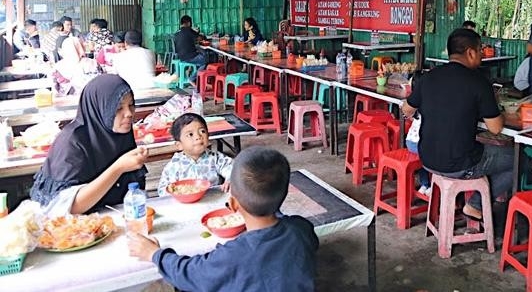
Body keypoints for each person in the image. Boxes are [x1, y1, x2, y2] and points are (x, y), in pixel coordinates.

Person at [129, 146, 319, 292]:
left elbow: (189, 274)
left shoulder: (233, 255)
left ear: (233, 205)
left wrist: (154, 254)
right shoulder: (301, 229)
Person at [402, 28, 513, 221]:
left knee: (478, 147)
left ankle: (471, 201)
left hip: (427, 160)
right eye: (480, 50)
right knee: (518, 160)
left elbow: (407, 109)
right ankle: (475, 205)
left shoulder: (429, 77)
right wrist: (499, 111)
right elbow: (495, 128)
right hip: (460, 165)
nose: (481, 55)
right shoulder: (479, 82)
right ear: (470, 52)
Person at [30, 75, 148, 215]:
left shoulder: (119, 134)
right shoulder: (71, 142)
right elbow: (68, 207)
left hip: (115, 220)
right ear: (99, 108)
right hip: (76, 229)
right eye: (118, 108)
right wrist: (118, 168)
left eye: (131, 105)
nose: (129, 113)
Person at [157, 113, 234, 196]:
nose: (198, 136)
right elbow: (162, 189)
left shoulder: (215, 158)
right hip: (185, 204)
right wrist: (174, 194)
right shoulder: (174, 164)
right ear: (179, 145)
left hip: (212, 199)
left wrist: (230, 179)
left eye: (202, 131)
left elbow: (233, 168)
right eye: (190, 134)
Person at [403, 71, 430, 194]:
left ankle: (425, 184)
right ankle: (433, 187)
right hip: (421, 144)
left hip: (410, 142)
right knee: (436, 154)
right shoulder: (431, 102)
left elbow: (408, 114)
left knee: (423, 159)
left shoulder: (413, 101)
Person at [174, 15, 205, 84]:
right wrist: (200, 34)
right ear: (188, 23)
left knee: (198, 55)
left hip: (181, 57)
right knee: (205, 60)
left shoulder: (177, 33)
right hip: (190, 57)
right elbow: (199, 38)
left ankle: (190, 70)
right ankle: (192, 78)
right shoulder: (188, 30)